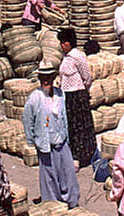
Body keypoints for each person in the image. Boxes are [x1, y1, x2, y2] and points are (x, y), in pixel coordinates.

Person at [22, 65, 80, 208]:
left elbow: (64, 117)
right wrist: (32, 140)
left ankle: (70, 201)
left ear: (53, 78)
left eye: (48, 78)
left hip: (61, 141)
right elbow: (27, 118)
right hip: (46, 143)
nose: (46, 82)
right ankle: (53, 204)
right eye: (43, 79)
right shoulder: (35, 97)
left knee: (67, 173)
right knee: (49, 177)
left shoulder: (60, 94)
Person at [57, 28, 97, 168]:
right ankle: (72, 154)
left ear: (71, 42)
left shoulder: (78, 56)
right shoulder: (66, 57)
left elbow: (87, 77)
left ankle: (81, 156)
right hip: (67, 95)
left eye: (65, 42)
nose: (62, 45)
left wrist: (83, 92)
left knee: (80, 127)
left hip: (78, 95)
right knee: (70, 126)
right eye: (61, 42)